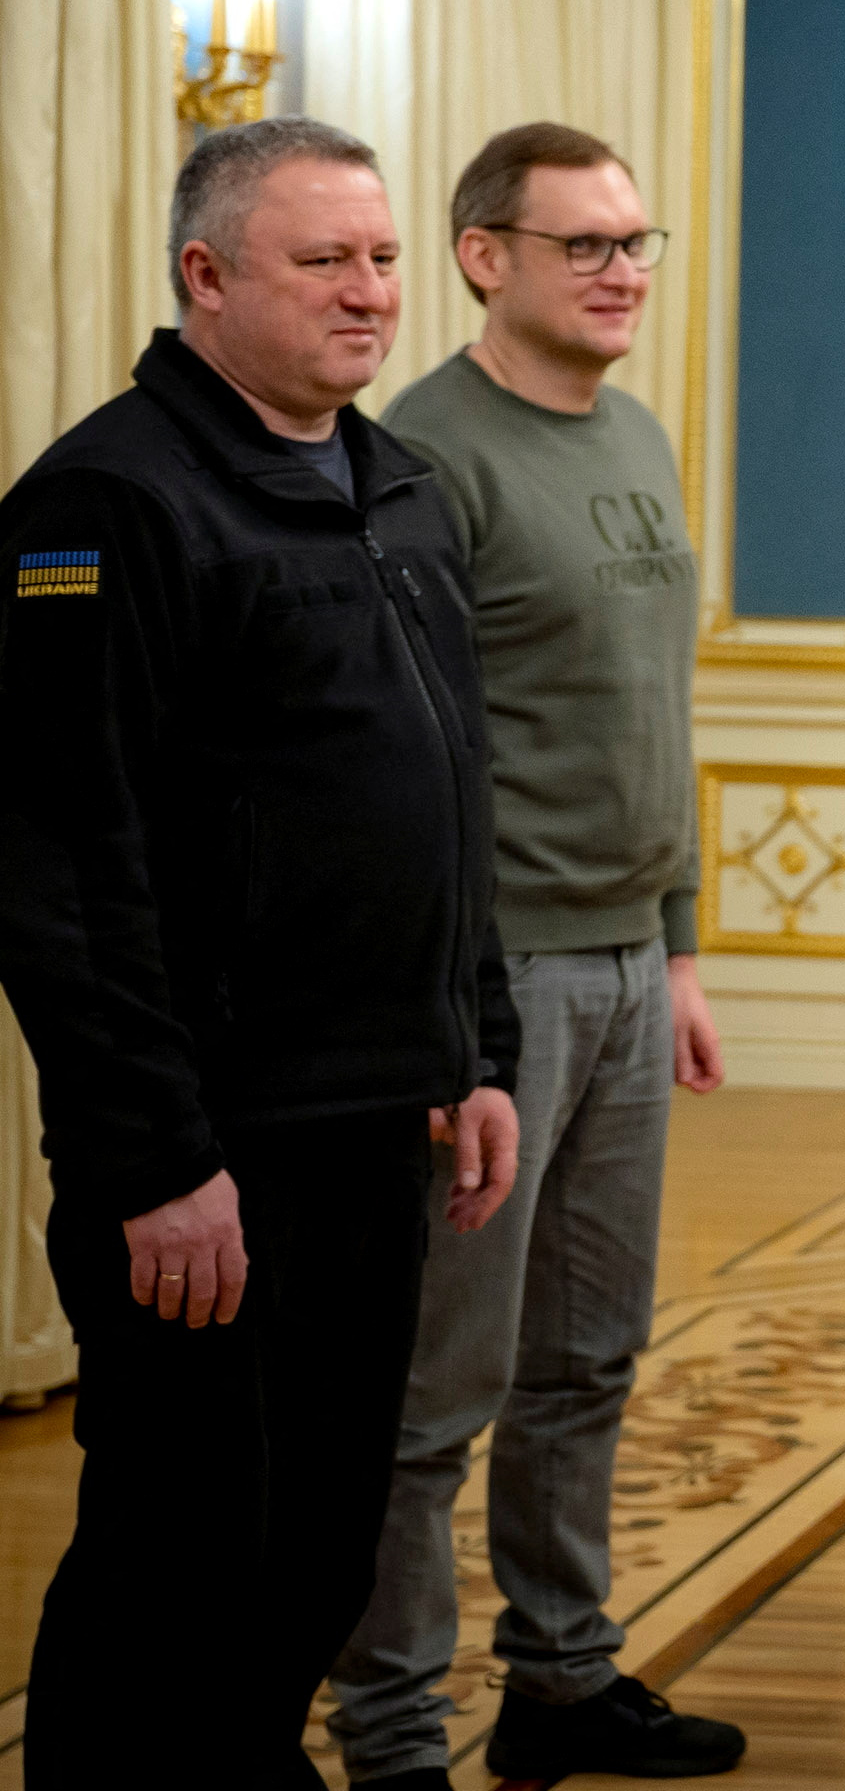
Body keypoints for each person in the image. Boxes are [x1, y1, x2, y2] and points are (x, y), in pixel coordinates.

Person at [0, 117, 521, 1787]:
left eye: (381, 258)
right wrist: (159, 1158)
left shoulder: (398, 488)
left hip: (377, 1124)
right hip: (212, 1160)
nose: (372, 293)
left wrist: (476, 1048)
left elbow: (450, 801)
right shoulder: (104, 503)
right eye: (326, 263)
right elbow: (68, 870)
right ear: (205, 276)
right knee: (180, 1553)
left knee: (315, 1542)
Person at [329, 123, 741, 1789]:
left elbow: (654, 712)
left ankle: (562, 1678)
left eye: (637, 242)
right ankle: (393, 1730)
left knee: (590, 1358)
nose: (624, 270)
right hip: (493, 989)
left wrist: (681, 949)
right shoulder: (423, 457)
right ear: (485, 258)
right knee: (440, 1391)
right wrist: (457, 1027)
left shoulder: (632, 425)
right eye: (586, 245)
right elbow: (403, 764)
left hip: (630, 972)